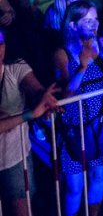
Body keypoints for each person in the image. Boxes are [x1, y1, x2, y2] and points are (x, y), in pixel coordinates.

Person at [54, 0, 103, 216]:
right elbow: (65, 94)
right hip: (74, 127)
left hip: (101, 122)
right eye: (87, 21)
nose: (94, 24)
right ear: (72, 25)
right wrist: (83, 65)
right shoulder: (62, 53)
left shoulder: (100, 46)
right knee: (74, 186)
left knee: (98, 175)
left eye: (95, 19)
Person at [0, 27, 60, 216]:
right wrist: (30, 114)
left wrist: (44, 99)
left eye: (0, 42)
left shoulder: (15, 67)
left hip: (14, 157)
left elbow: (33, 87)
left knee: (21, 209)